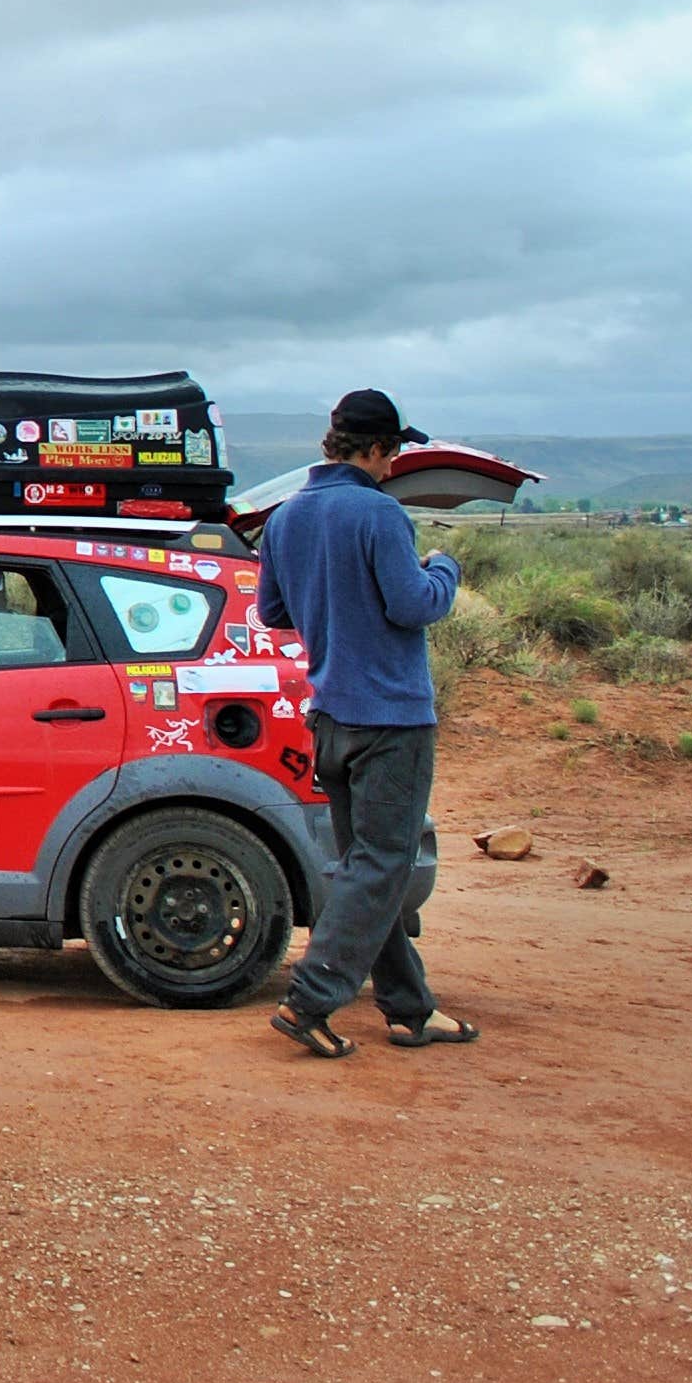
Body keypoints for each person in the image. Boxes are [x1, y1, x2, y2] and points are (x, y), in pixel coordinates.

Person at [255, 389, 477, 1059]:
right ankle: (312, 999)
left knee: (365, 866)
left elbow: (271, 612)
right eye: (394, 452)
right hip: (392, 719)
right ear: (375, 449)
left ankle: (411, 1010)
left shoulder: (287, 517)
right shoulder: (379, 514)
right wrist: (444, 569)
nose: (395, 465)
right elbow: (413, 606)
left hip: (331, 717)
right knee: (382, 864)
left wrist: (332, 608)